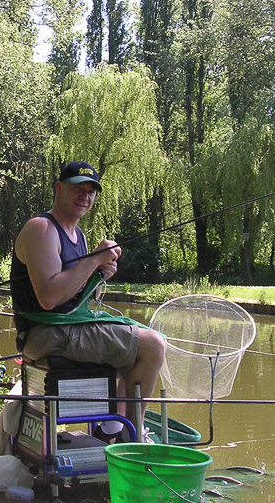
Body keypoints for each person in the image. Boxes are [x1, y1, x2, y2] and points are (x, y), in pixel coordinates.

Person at [10, 161, 167, 444]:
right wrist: (94, 260)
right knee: (152, 345)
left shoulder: (78, 235)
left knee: (144, 344)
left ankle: (110, 429)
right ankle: (130, 442)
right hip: (44, 334)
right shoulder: (42, 229)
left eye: (91, 191)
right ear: (59, 188)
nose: (85, 196)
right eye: (77, 189)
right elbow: (49, 299)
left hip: (64, 328)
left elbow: (76, 297)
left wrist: (97, 274)